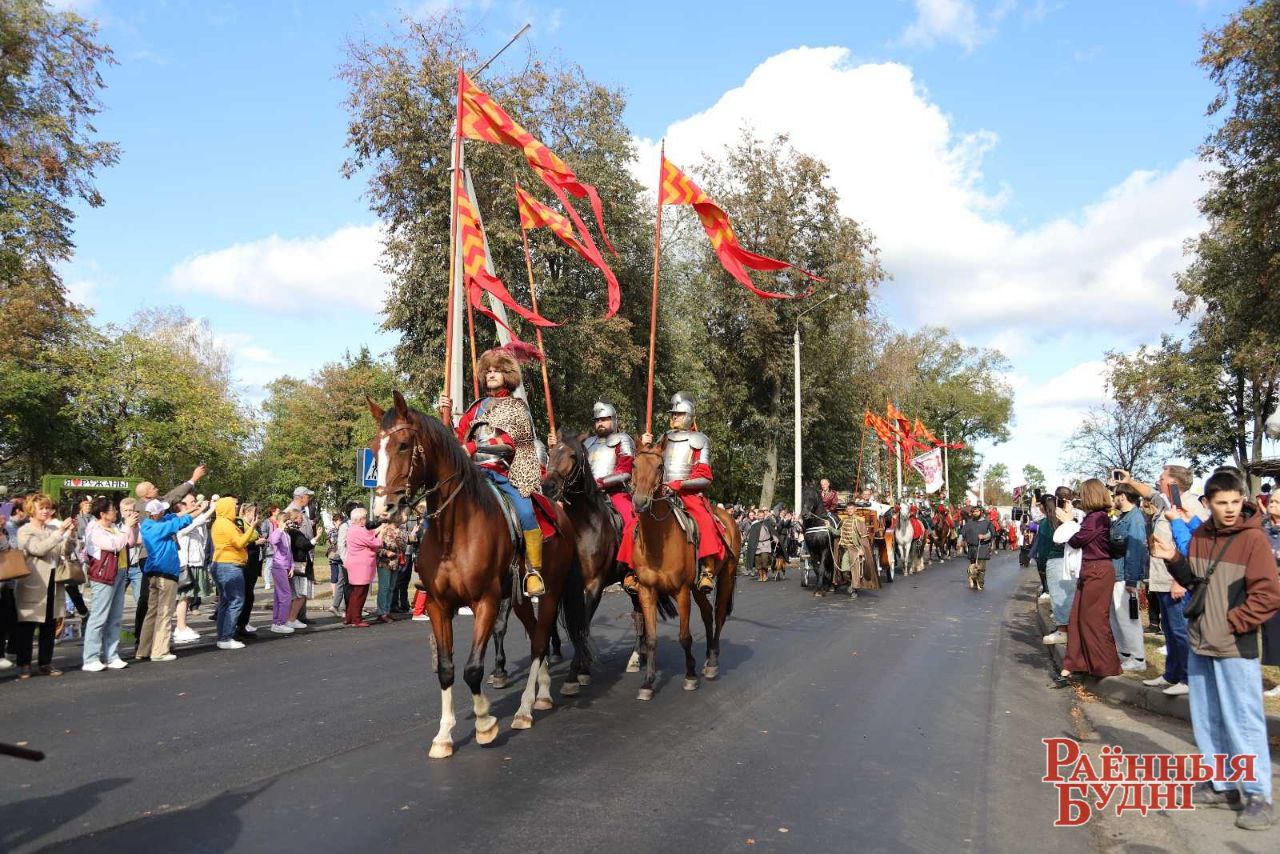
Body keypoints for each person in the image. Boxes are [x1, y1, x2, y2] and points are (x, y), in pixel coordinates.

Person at [1153, 470, 1280, 830]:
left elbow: (1268, 595)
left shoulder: (1253, 540)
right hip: (1200, 641)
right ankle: (1223, 784)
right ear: (1207, 503)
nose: (1229, 509)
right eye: (1221, 503)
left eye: (1235, 502)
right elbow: (1194, 580)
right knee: (1207, 718)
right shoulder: (1202, 536)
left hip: (1234, 645)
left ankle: (1258, 794)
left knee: (1243, 719)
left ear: (1242, 500)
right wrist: (1173, 558)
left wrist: (1233, 622)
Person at [442, 342, 549, 598]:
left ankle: (533, 571)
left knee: (525, 512)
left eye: (496, 370)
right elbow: (457, 441)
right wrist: (444, 415)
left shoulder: (517, 407)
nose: (490, 374)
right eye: (487, 370)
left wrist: (473, 447)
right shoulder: (474, 408)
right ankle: (436, 563)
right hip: (471, 474)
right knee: (440, 506)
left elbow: (513, 442)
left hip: (502, 473)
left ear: (507, 375)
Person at [628, 393, 728, 594]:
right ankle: (633, 571)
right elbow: (649, 463)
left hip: (687, 493)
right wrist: (646, 444)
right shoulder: (663, 439)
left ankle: (707, 570)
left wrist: (680, 484)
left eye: (680, 414)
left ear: (690, 416)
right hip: (660, 493)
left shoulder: (699, 440)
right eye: (673, 414)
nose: (675, 418)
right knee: (634, 524)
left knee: (705, 521)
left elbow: (705, 477)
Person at [560, 401, 637, 590]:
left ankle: (632, 570)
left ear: (613, 420)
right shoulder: (587, 442)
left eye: (604, 419)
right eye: (597, 420)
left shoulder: (623, 439)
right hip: (587, 495)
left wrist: (601, 483)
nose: (600, 423)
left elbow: (625, 471)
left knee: (631, 522)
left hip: (615, 493)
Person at [1061, 479, 1121, 678]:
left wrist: (1068, 522)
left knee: (1093, 619)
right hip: (1093, 569)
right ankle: (1079, 663)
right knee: (1079, 617)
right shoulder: (1097, 517)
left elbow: (1077, 540)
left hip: (1097, 570)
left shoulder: (1096, 518)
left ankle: (1105, 666)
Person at [14, 494, 75, 678]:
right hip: (33, 583)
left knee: (49, 625)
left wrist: (71, 535)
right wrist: (59, 532)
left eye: (48, 508)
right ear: (32, 510)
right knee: (28, 625)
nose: (46, 511)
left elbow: (64, 551)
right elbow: (38, 549)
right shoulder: (25, 530)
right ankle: (24, 664)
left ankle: (45, 663)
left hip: (53, 582)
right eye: (42, 508)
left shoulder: (52, 528)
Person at [81, 496, 139, 672]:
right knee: (99, 617)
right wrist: (127, 527)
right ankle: (90, 657)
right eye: (113, 510)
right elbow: (114, 545)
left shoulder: (115, 527)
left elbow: (129, 542)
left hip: (120, 572)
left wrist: (133, 528)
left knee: (115, 617)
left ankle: (112, 655)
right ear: (103, 514)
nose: (116, 513)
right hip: (104, 576)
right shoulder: (94, 530)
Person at [1143, 493, 1192, 696]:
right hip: (1162, 579)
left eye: (1163, 476)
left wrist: (1180, 580)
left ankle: (1188, 678)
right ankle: (1172, 674)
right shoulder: (1164, 507)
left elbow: (1188, 546)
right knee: (1170, 631)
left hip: (1175, 580)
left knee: (1181, 632)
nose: (1159, 480)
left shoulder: (1187, 505)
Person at [136, 498, 195, 663]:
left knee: (152, 612)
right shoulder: (160, 528)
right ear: (158, 513)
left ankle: (144, 649)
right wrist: (198, 511)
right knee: (165, 612)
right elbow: (180, 522)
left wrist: (191, 509)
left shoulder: (148, 524)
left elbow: (174, 516)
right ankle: (160, 651)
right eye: (162, 511)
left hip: (153, 573)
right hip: (166, 572)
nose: (165, 513)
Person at [209, 496, 259, 651]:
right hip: (230, 565)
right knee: (236, 600)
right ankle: (226, 636)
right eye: (233, 506)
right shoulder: (225, 524)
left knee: (225, 601)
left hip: (222, 564)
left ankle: (223, 635)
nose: (236, 508)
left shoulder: (220, 523)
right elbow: (239, 542)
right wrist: (252, 527)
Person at [1109, 483, 1149, 672]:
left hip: (1125, 575)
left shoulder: (1135, 519)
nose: (1113, 498)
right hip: (1118, 574)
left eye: (1115, 495)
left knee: (1128, 618)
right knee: (1118, 617)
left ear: (1123, 496)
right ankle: (1125, 653)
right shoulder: (1123, 518)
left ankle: (1138, 658)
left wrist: (1132, 580)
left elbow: (1135, 550)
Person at [173, 493, 215, 644]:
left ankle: (183, 625)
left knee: (190, 596)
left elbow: (202, 529)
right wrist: (210, 508)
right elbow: (196, 522)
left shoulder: (196, 519)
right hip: (186, 563)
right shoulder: (180, 522)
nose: (194, 503)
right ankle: (180, 627)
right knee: (184, 597)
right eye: (190, 502)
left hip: (196, 562)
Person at [342, 508, 381, 627]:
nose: (366, 519)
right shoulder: (358, 531)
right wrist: (382, 533)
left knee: (355, 593)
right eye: (364, 517)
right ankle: (356, 619)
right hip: (361, 566)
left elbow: (369, 533)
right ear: (359, 520)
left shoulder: (354, 529)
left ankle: (349, 617)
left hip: (357, 564)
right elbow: (376, 542)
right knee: (360, 593)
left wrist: (378, 529)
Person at [1261, 492, 1280, 698]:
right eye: (1271, 501)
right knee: (1274, 638)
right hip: (1269, 592)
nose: (1272, 504)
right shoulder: (1263, 529)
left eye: (1277, 502)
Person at [263, 507, 295, 633]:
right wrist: (280, 528)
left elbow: (289, 551)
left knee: (279, 596)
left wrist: (292, 566)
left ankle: (277, 621)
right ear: (279, 522)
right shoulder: (278, 532)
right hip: (278, 566)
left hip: (285, 566)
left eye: (288, 520)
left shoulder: (287, 535)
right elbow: (273, 540)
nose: (288, 522)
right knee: (285, 595)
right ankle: (280, 622)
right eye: (285, 520)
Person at [284, 510, 313, 629]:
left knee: (295, 594)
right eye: (301, 518)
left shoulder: (290, 532)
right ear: (295, 519)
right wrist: (316, 538)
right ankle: (291, 619)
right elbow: (304, 545)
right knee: (301, 594)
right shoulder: (295, 533)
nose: (302, 520)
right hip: (299, 565)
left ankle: (289, 618)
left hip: (295, 564)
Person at [959, 505, 994, 591]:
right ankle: (975, 582)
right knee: (972, 568)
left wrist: (985, 536)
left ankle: (980, 584)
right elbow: (962, 532)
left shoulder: (987, 522)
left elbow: (992, 533)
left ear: (981, 512)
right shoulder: (969, 522)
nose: (975, 513)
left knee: (981, 568)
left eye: (977, 511)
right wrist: (959, 541)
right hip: (972, 548)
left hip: (982, 547)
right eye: (974, 512)